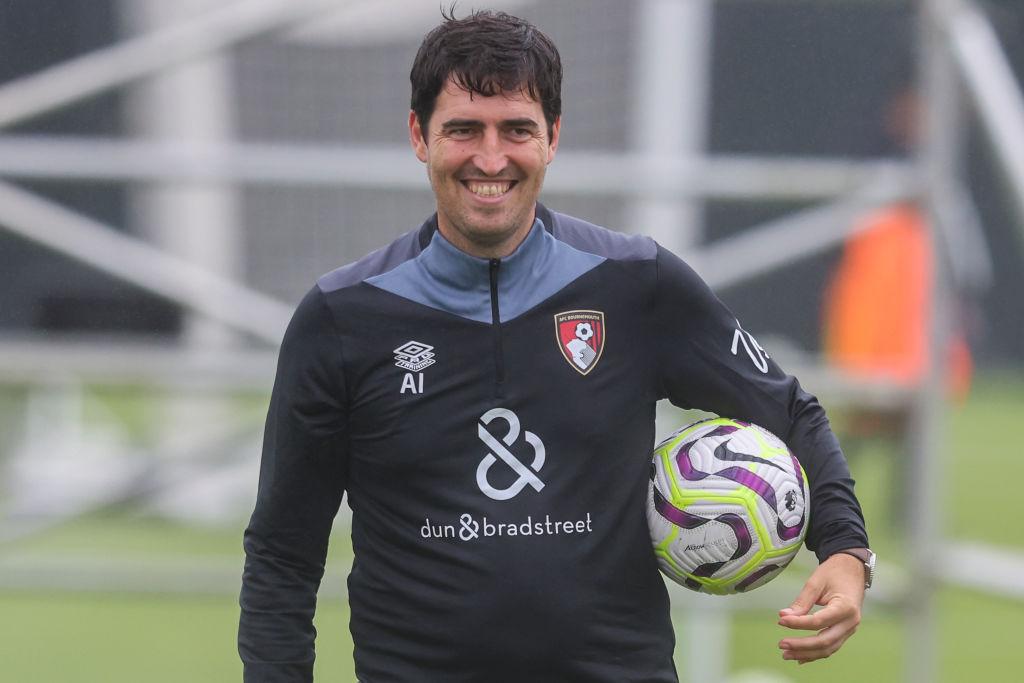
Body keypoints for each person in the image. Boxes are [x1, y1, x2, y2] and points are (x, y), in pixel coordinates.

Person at [239, 9, 872, 682]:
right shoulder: (342, 317)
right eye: (463, 130)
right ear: (419, 136)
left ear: (553, 138)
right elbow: (283, 551)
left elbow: (789, 409)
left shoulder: (636, 284)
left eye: (516, 129)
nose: (491, 158)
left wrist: (845, 548)